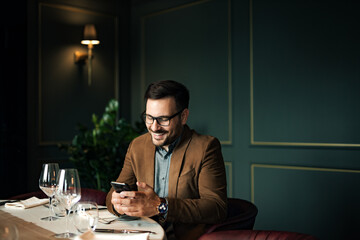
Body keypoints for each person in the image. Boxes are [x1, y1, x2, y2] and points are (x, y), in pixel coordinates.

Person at [106, 80, 227, 240]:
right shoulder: (137, 146)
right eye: (149, 118)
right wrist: (118, 202)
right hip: (140, 235)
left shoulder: (206, 147)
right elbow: (110, 198)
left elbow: (216, 207)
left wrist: (160, 206)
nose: (154, 127)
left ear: (183, 116)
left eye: (163, 119)